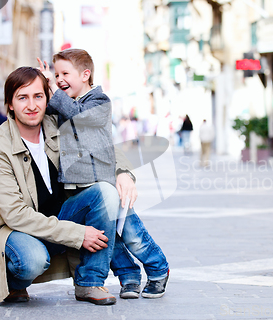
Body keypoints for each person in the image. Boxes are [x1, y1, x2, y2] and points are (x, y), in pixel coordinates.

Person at [0, 67, 133, 305]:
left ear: (47, 97)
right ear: (9, 103)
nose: (32, 105)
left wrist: (122, 171)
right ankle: (13, 282)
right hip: (15, 230)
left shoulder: (56, 124)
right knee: (31, 260)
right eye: (22, 97)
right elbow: (15, 215)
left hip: (59, 217)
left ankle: (90, 282)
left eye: (38, 96)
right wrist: (78, 234)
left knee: (105, 193)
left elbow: (100, 140)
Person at [38, 49, 169, 299]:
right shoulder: (64, 104)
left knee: (131, 233)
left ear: (86, 74)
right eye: (56, 74)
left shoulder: (99, 102)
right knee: (107, 238)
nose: (59, 79)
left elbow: (77, 115)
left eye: (65, 73)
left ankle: (158, 268)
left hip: (106, 184)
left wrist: (52, 88)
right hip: (81, 189)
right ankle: (129, 276)